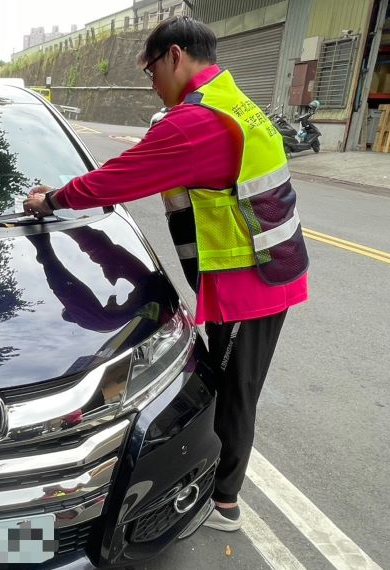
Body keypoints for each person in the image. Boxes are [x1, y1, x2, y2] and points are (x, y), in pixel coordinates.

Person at [23, 16, 309, 532]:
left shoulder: (196, 123)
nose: (151, 83)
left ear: (174, 55)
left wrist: (54, 200)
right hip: (267, 265)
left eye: (152, 69)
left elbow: (119, 178)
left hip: (252, 281)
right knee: (226, 378)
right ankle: (219, 487)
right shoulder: (233, 102)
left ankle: (224, 501)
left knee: (232, 387)